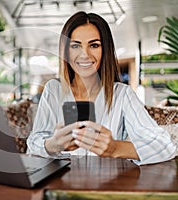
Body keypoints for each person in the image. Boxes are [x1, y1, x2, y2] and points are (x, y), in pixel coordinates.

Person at [26, 11, 176, 165]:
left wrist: (115, 148)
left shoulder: (122, 94)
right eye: (75, 45)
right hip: (62, 184)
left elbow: (165, 146)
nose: (85, 54)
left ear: (105, 50)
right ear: (65, 51)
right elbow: (33, 143)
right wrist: (53, 144)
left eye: (94, 45)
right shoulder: (54, 90)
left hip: (108, 185)